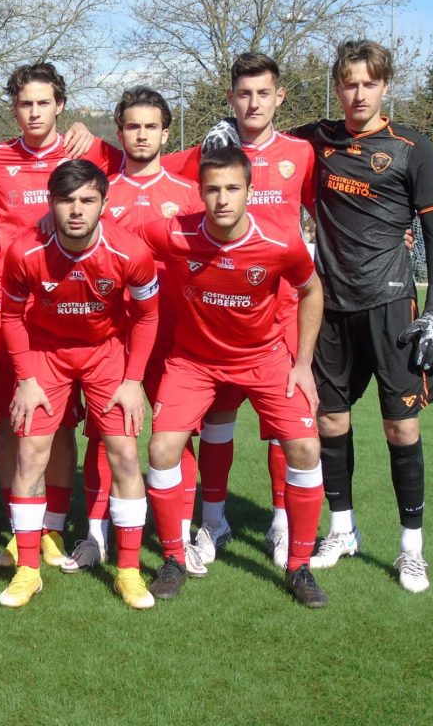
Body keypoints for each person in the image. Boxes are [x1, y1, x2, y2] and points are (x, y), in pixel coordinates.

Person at [289, 40, 433, 593]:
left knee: (401, 426)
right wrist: (224, 130)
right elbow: (261, 142)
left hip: (391, 305)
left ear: (385, 86)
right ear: (337, 87)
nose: (359, 93)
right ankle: (342, 530)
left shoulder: (411, 147)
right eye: (349, 83)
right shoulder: (316, 140)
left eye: (369, 83)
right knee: (331, 421)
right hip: (330, 306)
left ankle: (411, 549)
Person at [140, 145, 328, 607]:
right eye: (212, 189)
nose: (222, 199)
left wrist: (303, 363)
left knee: (306, 448)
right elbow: (119, 240)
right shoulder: (174, 231)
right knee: (161, 449)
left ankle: (299, 566)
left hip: (263, 358)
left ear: (248, 191)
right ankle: (174, 559)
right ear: (199, 192)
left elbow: (311, 291)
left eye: (232, 189)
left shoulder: (280, 242)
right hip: (193, 362)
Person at [161, 53, 316, 569]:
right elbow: (142, 166)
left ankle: (282, 524)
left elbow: (327, 210)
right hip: (217, 313)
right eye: (243, 94)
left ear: (279, 97)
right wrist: (85, 139)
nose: (253, 103)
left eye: (263, 93)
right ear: (230, 97)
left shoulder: (301, 153)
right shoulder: (206, 153)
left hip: (282, 311)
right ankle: (214, 521)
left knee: (285, 425)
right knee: (218, 420)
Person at [0, 159, 159, 609]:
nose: (76, 210)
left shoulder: (131, 252)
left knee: (125, 454)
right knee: (31, 453)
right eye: (66, 200)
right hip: (45, 353)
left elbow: (147, 317)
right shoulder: (24, 252)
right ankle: (28, 570)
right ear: (50, 203)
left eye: (88, 200)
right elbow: (10, 316)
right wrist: (26, 378)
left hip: (106, 353)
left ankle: (128, 572)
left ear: (104, 204)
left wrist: (133, 380)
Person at [0, 62, 123, 568]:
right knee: (12, 422)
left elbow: (143, 161)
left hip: (75, 310)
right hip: (12, 310)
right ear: (13, 107)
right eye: (25, 103)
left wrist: (89, 132)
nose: (35, 112)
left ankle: (53, 528)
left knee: (62, 425)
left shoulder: (89, 151)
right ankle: (16, 526)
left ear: (60, 105)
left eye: (44, 102)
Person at [63, 86, 204, 575]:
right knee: (106, 436)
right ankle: (95, 536)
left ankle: (178, 541)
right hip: (114, 337)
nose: (141, 135)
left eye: (150, 126)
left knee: (176, 437)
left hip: (175, 336)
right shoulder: (102, 192)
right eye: (132, 126)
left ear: (165, 133)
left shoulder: (188, 195)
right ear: (119, 132)